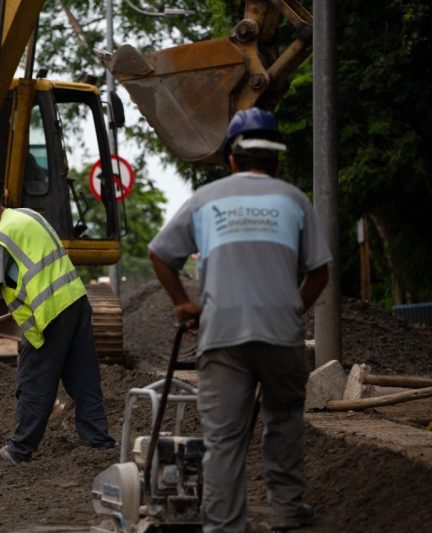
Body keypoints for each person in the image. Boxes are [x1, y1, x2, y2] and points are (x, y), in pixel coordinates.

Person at [147, 108, 331, 532]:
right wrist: (289, 308)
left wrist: (181, 303)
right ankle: (287, 512)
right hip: (281, 335)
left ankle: (224, 525)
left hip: (222, 333)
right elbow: (319, 270)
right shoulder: (294, 199)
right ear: (278, 160)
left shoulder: (205, 200)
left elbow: (160, 254)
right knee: (283, 421)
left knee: (225, 439)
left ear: (231, 158)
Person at [0, 174, 116, 465]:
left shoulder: (1, 237)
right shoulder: (28, 216)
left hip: (49, 313)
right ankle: (98, 442)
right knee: (83, 377)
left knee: (35, 380)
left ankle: (19, 451)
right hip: (75, 300)